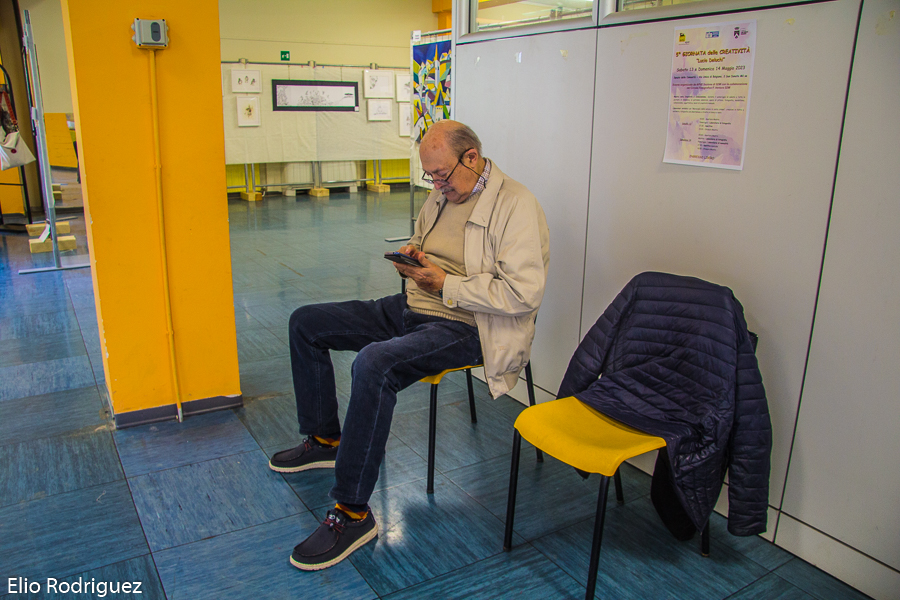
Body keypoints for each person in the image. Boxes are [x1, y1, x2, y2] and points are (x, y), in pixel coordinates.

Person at [269, 120, 550, 571]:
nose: (437, 186)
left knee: (375, 363)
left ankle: (352, 513)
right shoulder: (443, 193)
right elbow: (424, 242)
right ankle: (324, 439)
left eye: (442, 175)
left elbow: (523, 294)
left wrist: (446, 284)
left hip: (469, 326)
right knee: (307, 323)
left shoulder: (516, 205)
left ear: (472, 158)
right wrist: (413, 259)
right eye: (430, 176)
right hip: (413, 306)